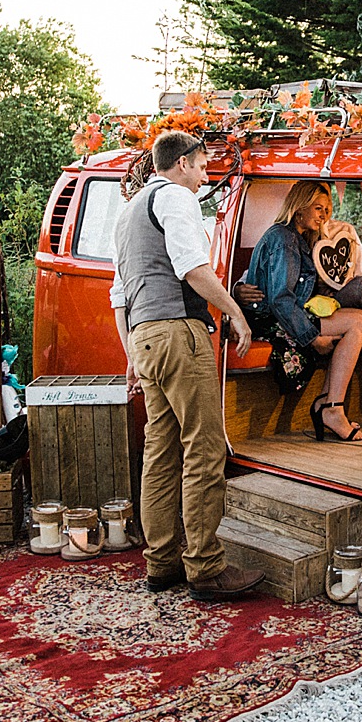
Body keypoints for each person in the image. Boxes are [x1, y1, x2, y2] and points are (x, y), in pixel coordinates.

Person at [110, 130, 260, 602]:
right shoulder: (175, 198)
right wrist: (234, 311)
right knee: (204, 448)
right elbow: (193, 269)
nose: (204, 175)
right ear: (180, 165)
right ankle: (206, 568)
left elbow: (118, 296)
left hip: (145, 340)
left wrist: (132, 355)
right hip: (179, 332)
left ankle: (162, 562)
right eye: (200, 166)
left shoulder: (129, 210)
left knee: (161, 451)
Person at [238, 180, 362, 441]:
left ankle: (336, 405)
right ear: (299, 209)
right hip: (276, 319)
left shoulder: (327, 234)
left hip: (319, 306)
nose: (326, 215)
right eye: (318, 208)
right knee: (360, 315)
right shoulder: (284, 239)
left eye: (328, 209)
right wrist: (312, 337)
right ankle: (332, 406)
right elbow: (279, 298)